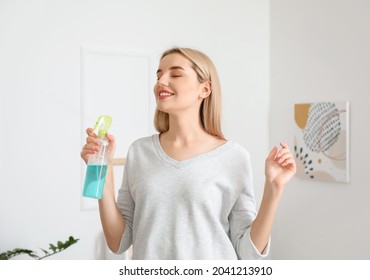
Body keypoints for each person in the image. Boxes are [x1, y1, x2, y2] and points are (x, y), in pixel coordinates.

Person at [80, 47, 296, 260]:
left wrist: (273, 189)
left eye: (175, 74)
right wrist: (102, 167)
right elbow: (118, 242)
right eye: (158, 75)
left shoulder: (234, 157)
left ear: (205, 89)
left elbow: (248, 252)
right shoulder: (139, 151)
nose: (161, 82)